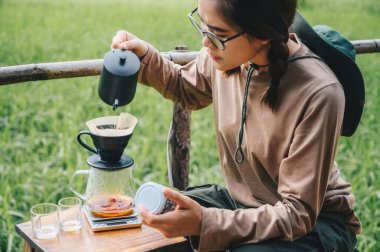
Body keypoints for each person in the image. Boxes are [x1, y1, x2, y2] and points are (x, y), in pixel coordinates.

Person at [111, 0, 362, 251]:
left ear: (262, 35)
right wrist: (143, 54)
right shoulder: (226, 54)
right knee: (152, 225)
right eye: (203, 26)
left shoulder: (318, 92)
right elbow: (185, 87)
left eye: (218, 34)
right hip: (242, 203)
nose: (205, 42)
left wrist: (205, 222)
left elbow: (298, 213)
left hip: (317, 224)